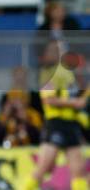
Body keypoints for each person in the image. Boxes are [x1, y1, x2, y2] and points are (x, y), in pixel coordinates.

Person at [22, 42, 88, 190]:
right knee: (43, 168)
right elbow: (48, 99)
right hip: (56, 124)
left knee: (79, 170)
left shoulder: (68, 73)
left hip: (71, 125)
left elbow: (70, 98)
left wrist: (77, 108)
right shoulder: (50, 72)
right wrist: (75, 104)